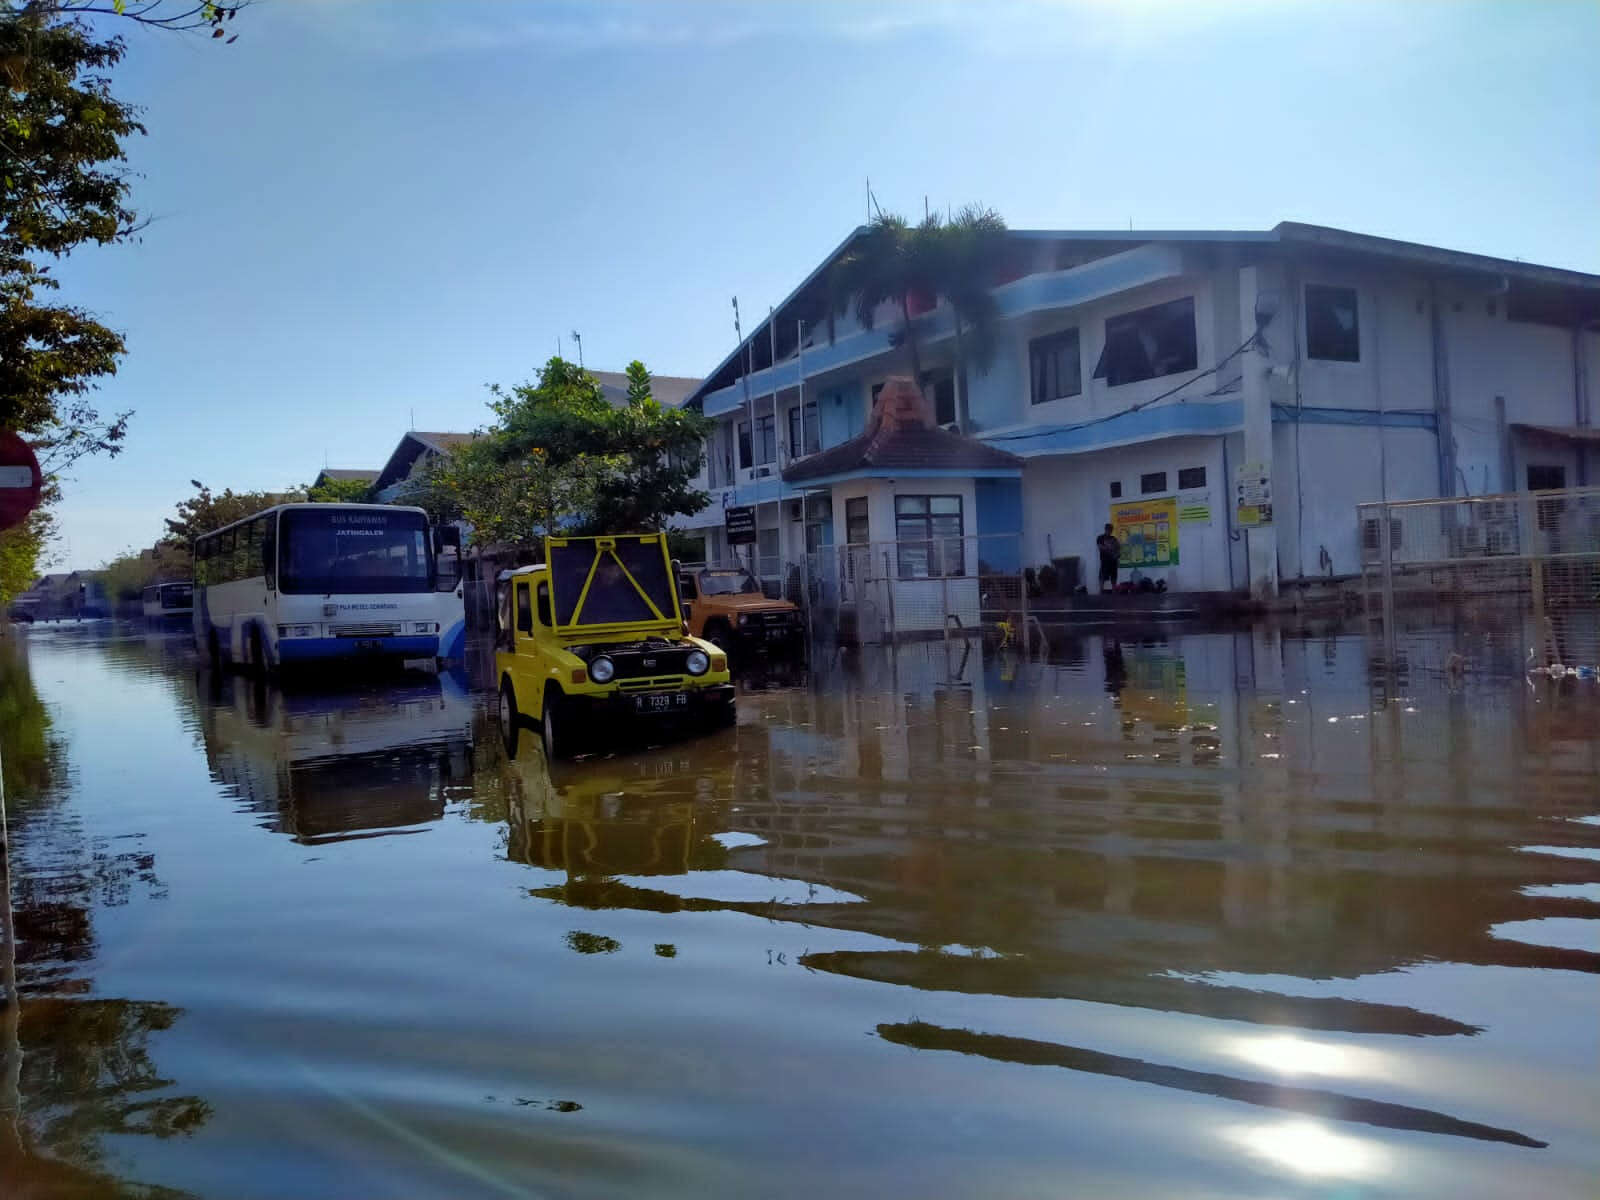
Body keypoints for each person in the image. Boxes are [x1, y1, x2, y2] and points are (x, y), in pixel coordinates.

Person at [1096, 523, 1121, 592]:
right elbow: (1100, 547)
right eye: (1108, 529)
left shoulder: (1114, 538)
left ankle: (1114, 591)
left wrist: (1117, 555)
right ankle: (1101, 591)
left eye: (1110, 530)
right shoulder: (1100, 537)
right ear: (1105, 529)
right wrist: (1109, 548)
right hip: (1105, 561)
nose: (1109, 531)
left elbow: (1118, 548)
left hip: (1113, 561)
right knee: (1102, 576)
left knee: (1114, 577)